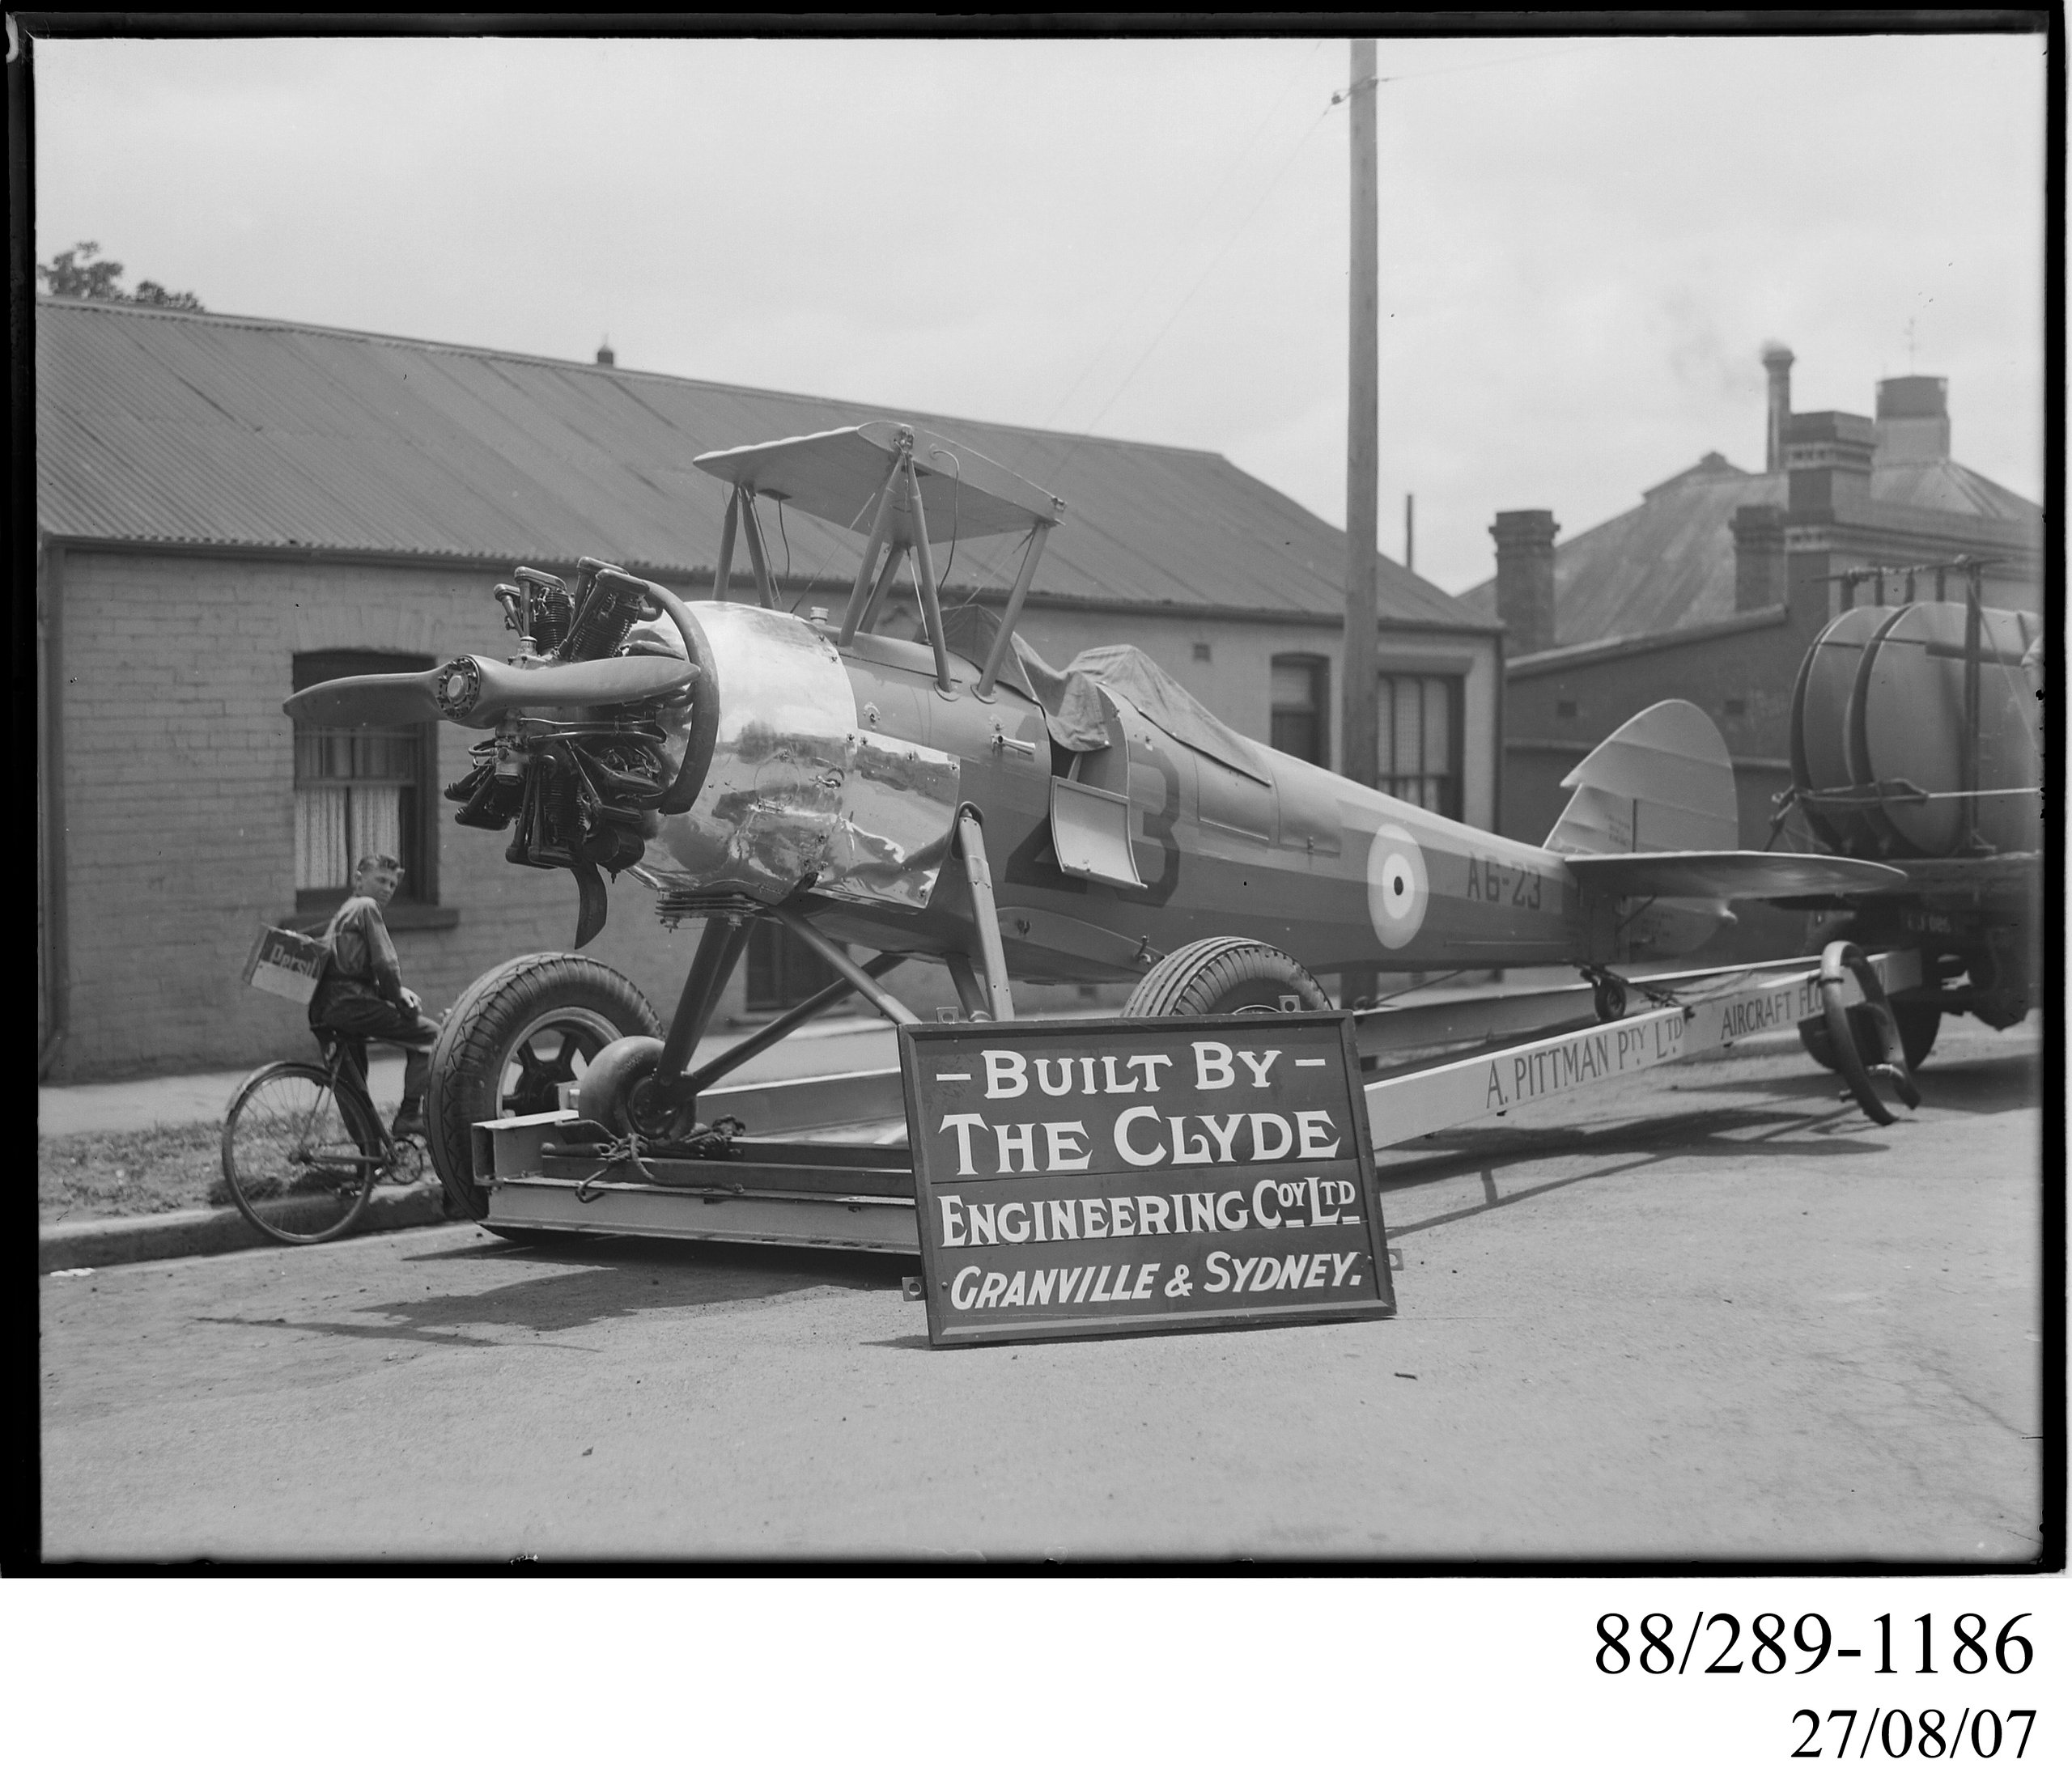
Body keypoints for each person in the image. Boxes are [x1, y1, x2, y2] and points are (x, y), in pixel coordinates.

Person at [308, 854, 441, 1138]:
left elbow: (349, 968)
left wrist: (391, 992)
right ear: (359, 880)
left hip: (327, 1006)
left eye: (393, 885)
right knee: (432, 1037)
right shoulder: (367, 907)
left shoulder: (344, 911)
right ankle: (408, 1116)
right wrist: (397, 997)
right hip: (353, 1004)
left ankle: (370, 1159)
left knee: (352, 1085)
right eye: (381, 880)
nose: (388, 889)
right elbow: (386, 964)